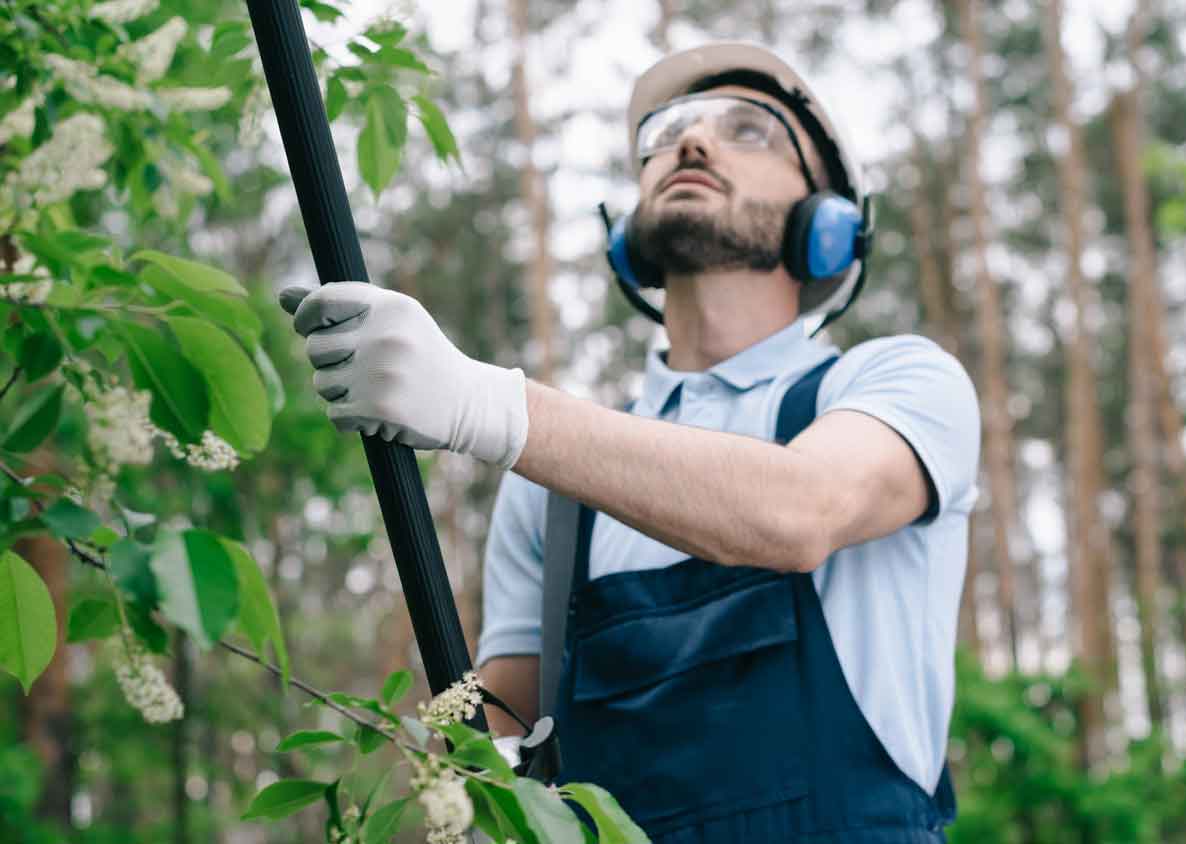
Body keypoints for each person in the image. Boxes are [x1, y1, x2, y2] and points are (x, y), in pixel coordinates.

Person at [280, 41, 979, 844]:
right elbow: (502, 741)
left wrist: (484, 402)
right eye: (669, 132)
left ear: (828, 223)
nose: (692, 142)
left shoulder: (899, 382)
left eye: (751, 131)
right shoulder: (552, 486)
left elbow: (802, 510)